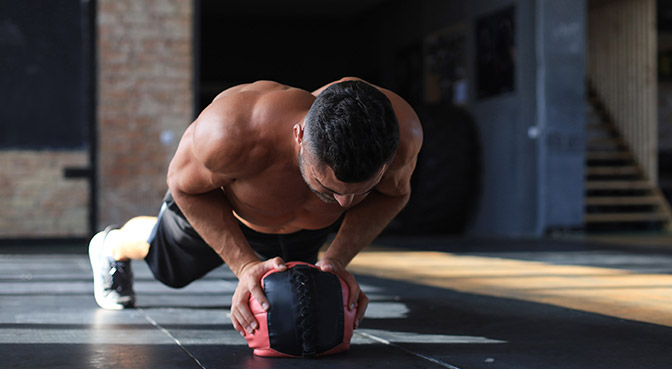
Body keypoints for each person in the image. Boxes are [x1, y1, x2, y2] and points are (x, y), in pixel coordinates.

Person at [89, 77, 423, 338]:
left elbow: (393, 194)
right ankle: (112, 244)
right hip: (226, 211)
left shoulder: (400, 135)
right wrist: (245, 265)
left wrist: (335, 258)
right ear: (299, 136)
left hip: (307, 228)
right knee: (168, 271)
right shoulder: (230, 131)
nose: (345, 204)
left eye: (359, 192)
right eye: (328, 188)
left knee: (295, 307)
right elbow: (184, 187)